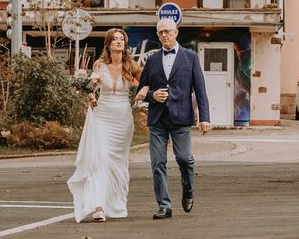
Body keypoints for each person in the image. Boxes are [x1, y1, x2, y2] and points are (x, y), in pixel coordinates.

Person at [68, 28, 145, 222]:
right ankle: (99, 207)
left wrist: (142, 93)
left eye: (122, 39)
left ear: (125, 44)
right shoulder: (99, 64)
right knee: (100, 159)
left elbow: (148, 81)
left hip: (123, 119)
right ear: (109, 44)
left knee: (118, 163)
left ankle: (117, 204)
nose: (119, 42)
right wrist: (90, 94)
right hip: (102, 116)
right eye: (115, 39)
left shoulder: (132, 65)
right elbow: (91, 87)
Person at [137, 18, 210, 220]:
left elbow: (200, 90)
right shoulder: (151, 60)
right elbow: (141, 89)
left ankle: (188, 190)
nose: (164, 35)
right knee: (158, 163)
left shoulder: (191, 57)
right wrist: (153, 96)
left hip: (181, 117)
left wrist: (205, 118)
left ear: (176, 32)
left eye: (167, 31)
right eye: (160, 32)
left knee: (184, 159)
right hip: (157, 119)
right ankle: (164, 206)